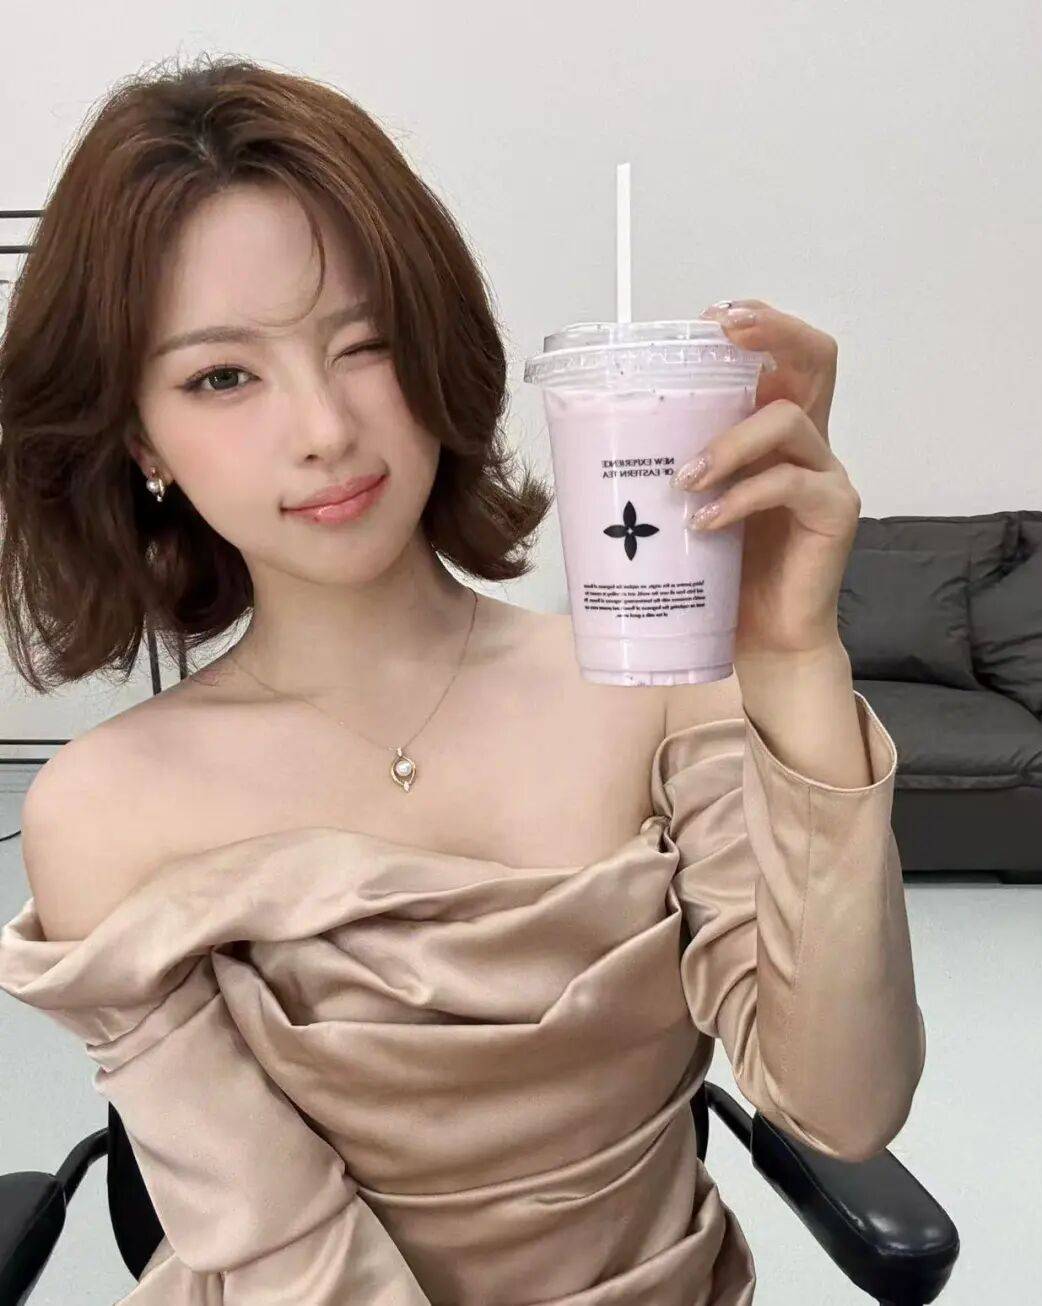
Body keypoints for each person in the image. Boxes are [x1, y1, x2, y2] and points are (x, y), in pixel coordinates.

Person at [0, 55, 926, 1305]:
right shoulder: (104, 811)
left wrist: (793, 662)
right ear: (138, 436)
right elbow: (282, 1246)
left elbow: (846, 1106)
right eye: (223, 375)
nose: (324, 427)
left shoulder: (654, 687)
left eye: (365, 341)